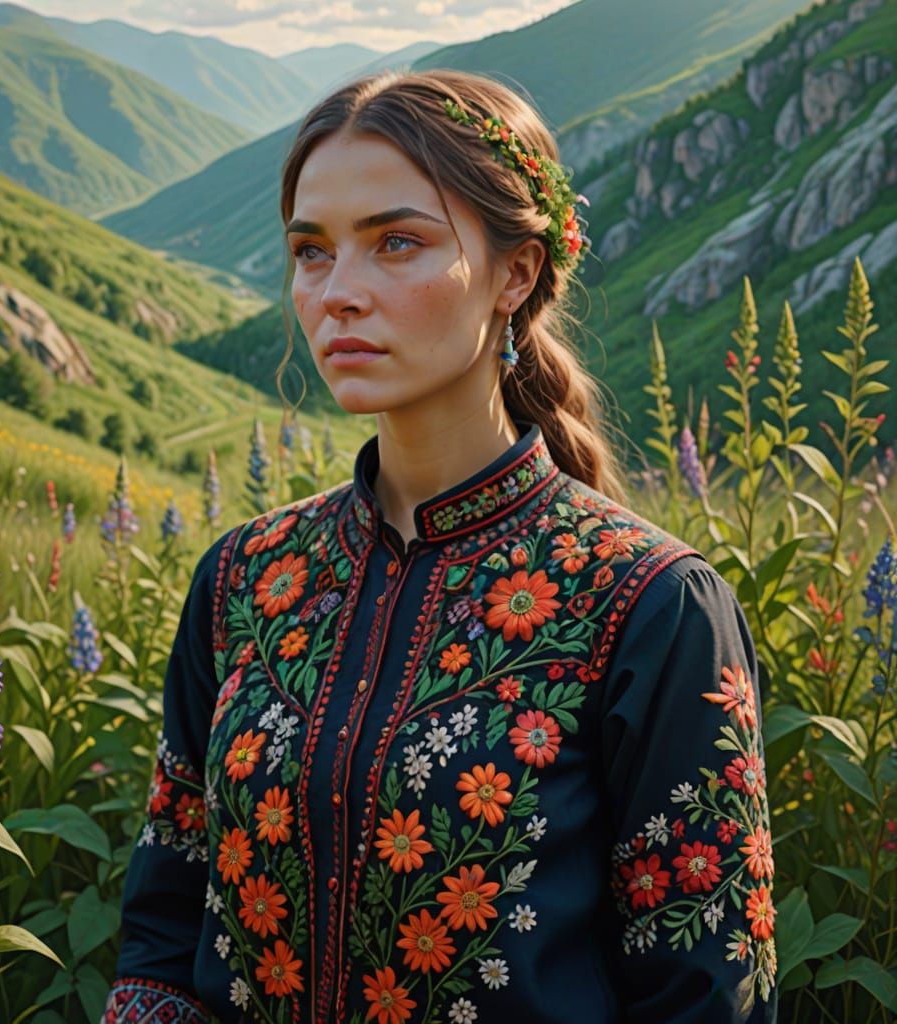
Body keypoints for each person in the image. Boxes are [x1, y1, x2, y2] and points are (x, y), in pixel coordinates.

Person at [101, 69, 778, 1024]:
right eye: (312, 252)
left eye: (398, 243)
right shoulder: (246, 582)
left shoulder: (649, 604)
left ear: (517, 273)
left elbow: (708, 995)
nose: (339, 293)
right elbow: (165, 934)